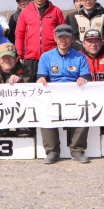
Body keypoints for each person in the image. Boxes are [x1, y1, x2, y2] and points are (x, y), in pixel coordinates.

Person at [37, 25, 92, 164]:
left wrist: (83, 79)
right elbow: (41, 77)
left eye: (67, 37)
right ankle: (52, 151)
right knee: (46, 115)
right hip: (53, 95)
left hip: (75, 95)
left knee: (83, 113)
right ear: (55, 38)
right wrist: (41, 79)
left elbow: (86, 76)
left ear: (72, 38)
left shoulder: (80, 57)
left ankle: (77, 150)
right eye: (60, 37)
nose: (63, 40)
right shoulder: (46, 57)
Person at [15, 0, 65, 75]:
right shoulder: (25, 12)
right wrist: (19, 55)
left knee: (53, 86)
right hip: (31, 58)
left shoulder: (56, 11)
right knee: (31, 86)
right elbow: (19, 34)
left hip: (52, 56)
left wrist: (63, 52)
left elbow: (63, 34)